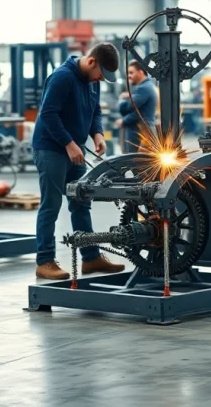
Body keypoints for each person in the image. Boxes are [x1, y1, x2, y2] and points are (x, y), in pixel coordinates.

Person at [32, 43, 126, 280]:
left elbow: (95, 111)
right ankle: (44, 261)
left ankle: (91, 257)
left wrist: (97, 134)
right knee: (51, 205)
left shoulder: (90, 82)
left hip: (75, 150)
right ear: (91, 62)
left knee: (81, 201)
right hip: (52, 149)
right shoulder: (62, 77)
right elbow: (48, 114)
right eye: (100, 76)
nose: (100, 81)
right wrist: (69, 144)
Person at [117, 60, 158, 153]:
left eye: (131, 72)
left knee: (134, 161)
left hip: (139, 132)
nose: (129, 76)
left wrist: (121, 100)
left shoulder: (143, 88)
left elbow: (128, 108)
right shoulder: (146, 87)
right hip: (142, 131)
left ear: (140, 72)